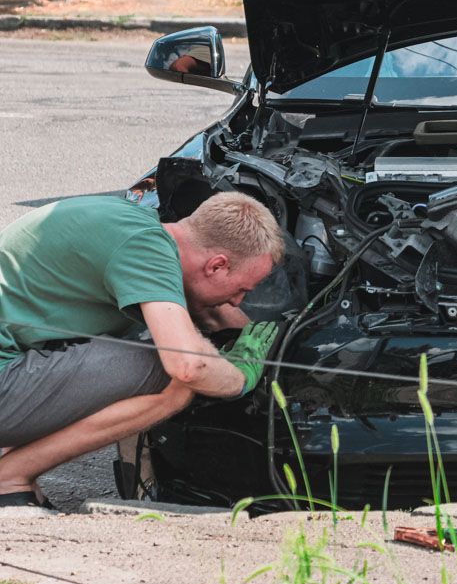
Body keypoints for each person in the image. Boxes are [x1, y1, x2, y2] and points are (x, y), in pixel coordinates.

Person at [0, 191, 285, 507]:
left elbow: (207, 310)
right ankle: (9, 478)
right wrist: (241, 374)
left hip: (11, 366)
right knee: (175, 376)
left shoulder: (137, 225)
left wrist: (252, 336)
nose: (237, 301)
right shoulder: (144, 251)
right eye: (242, 289)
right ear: (217, 265)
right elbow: (189, 366)